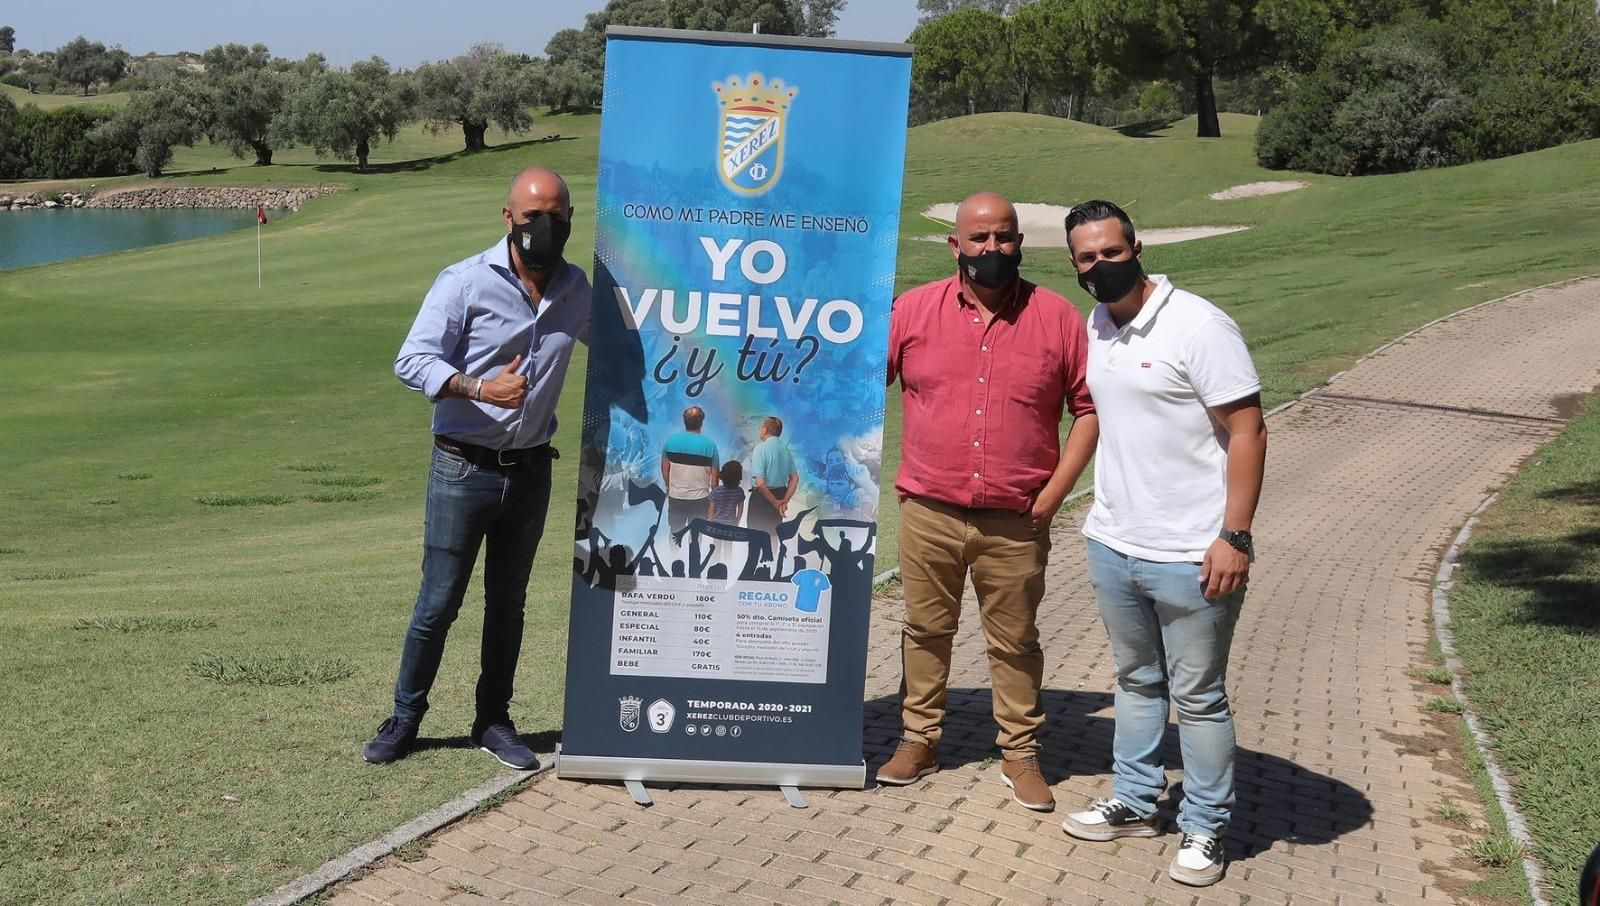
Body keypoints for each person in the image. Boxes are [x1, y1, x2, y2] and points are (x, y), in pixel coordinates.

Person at [1057, 200, 1267, 888]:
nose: (1100, 265)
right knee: (1136, 682)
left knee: (1199, 697)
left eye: (1111, 252)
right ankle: (1137, 799)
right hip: (1113, 542)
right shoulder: (1098, 322)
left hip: (1193, 552)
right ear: (1074, 264)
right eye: (1087, 257)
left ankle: (1205, 826)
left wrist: (1234, 535)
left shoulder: (1198, 324)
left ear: (1137, 247)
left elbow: (1248, 429)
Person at [363, 167, 589, 770]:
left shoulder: (575, 289)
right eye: (533, 216)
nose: (546, 226)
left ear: (570, 219)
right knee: (438, 603)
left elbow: (624, 343)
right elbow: (412, 361)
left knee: (508, 605)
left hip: (531, 470)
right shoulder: (465, 282)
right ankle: (404, 718)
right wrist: (481, 387)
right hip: (463, 469)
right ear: (508, 217)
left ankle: (493, 721)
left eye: (557, 216)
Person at [881, 192, 1099, 813]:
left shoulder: (1058, 318)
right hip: (931, 509)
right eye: (979, 238)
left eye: (1003, 237)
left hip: (1018, 517)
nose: (992, 248)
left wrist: (1055, 494)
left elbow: (1088, 410)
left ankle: (1021, 752)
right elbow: (861, 385)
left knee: (1016, 640)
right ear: (955, 245)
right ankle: (919, 739)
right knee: (926, 631)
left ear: (1019, 243)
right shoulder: (912, 311)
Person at [661, 406, 719, 540]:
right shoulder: (710, 445)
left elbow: (664, 469)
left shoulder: (670, 442)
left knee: (675, 533)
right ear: (702, 422)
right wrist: (713, 501)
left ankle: (672, 553)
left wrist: (668, 486)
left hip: (676, 497)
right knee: (696, 537)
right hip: (701, 499)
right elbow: (715, 478)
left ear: (684, 421)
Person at [747, 416, 798, 545]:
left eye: (760, 427)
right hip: (780, 494)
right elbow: (795, 478)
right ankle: (774, 559)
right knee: (774, 535)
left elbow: (760, 483)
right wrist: (784, 500)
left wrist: (776, 503)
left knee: (755, 537)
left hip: (761, 499)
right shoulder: (785, 450)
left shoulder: (760, 449)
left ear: (764, 430)